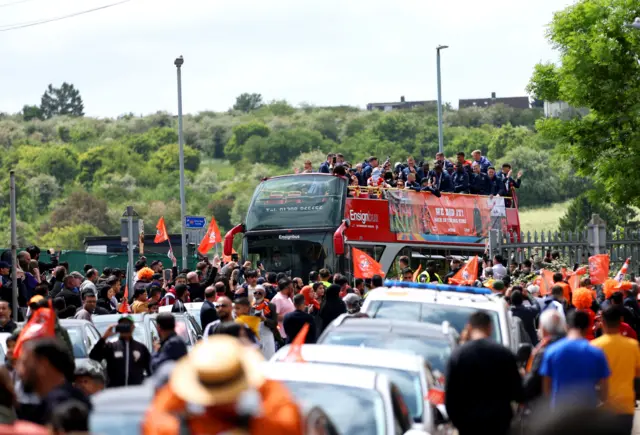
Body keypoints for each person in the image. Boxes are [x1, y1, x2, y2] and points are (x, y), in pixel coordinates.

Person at [142, 335, 304, 435]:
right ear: (244, 381)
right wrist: (253, 371)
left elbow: (157, 410)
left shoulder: (170, 429)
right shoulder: (269, 428)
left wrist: (186, 376)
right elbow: (283, 404)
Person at [445, 311, 523, 435]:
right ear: (490, 328)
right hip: (499, 426)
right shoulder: (504, 354)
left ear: (469, 327)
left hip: (469, 427)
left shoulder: (458, 356)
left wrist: (460, 424)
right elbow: (518, 393)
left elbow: (450, 398)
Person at [539, 310, 610, 409]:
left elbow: (546, 387)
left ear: (566, 327)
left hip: (559, 413)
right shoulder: (597, 353)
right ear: (588, 328)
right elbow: (604, 392)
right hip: (587, 412)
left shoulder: (551, 351)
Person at [16, 338, 92, 426]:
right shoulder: (47, 405)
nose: (19, 371)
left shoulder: (65, 407)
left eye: (25, 364)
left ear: (43, 364)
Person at [591, 307, 640, 432]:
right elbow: (638, 375)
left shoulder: (594, 346)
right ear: (620, 322)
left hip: (601, 406)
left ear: (603, 322)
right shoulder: (633, 346)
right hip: (625, 405)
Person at [89, 316, 151, 387]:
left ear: (133, 327)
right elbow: (94, 357)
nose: (125, 328)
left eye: (127, 325)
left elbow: (150, 369)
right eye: (122, 325)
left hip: (135, 391)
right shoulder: (111, 346)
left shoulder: (141, 348)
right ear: (118, 328)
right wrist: (104, 337)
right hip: (115, 391)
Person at [523, 310, 566, 405]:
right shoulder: (578, 346)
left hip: (549, 410)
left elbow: (530, 386)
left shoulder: (543, 352)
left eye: (539, 326)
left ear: (544, 328)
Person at [253, 285, 279, 359]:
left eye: (260, 293)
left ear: (264, 294)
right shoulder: (250, 306)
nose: (257, 295)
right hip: (255, 338)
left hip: (267, 336)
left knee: (269, 358)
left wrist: (264, 319)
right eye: (255, 293)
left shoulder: (271, 306)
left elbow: (275, 323)